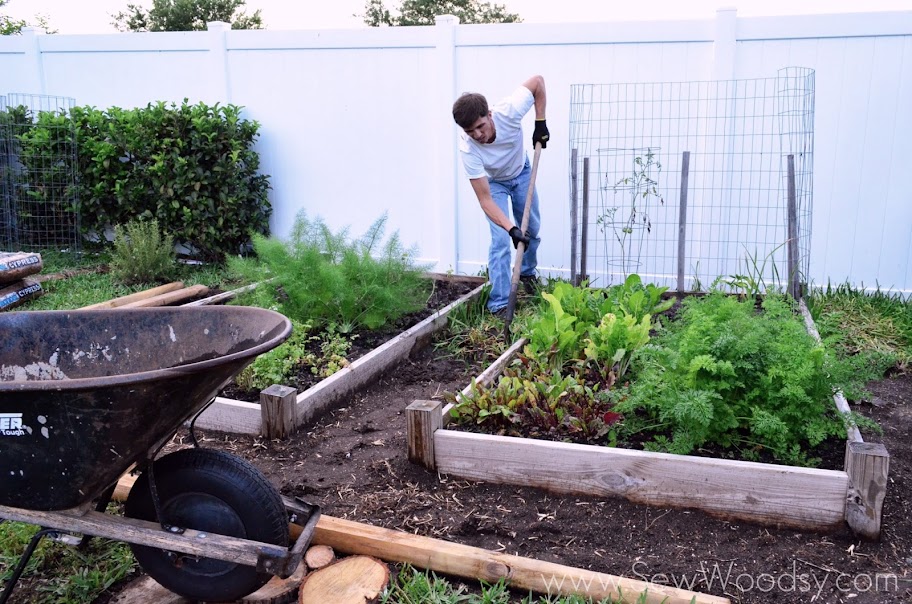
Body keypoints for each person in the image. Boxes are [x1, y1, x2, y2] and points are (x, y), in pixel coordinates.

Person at [452, 75, 549, 316]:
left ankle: (527, 273)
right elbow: (485, 200)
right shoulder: (468, 149)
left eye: (480, 126)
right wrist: (510, 228)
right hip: (494, 182)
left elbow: (537, 82)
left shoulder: (508, 111)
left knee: (532, 230)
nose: (477, 134)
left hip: (521, 171)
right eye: (469, 130)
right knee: (500, 241)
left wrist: (540, 122)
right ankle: (499, 304)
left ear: (489, 115)